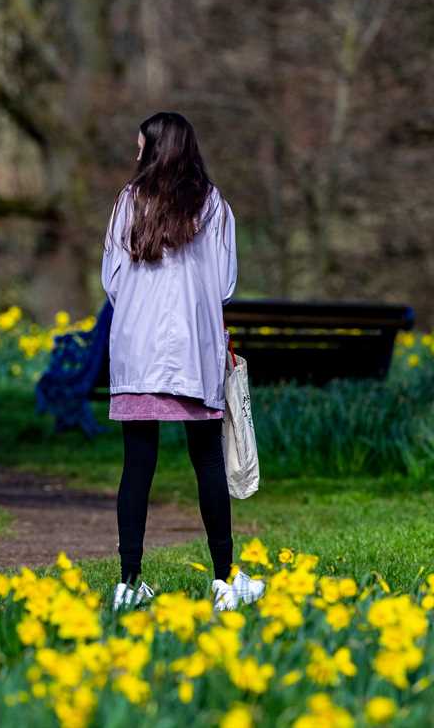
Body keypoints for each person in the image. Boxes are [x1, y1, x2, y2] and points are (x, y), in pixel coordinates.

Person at [100, 111, 263, 612]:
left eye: (140, 146)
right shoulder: (211, 204)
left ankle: (129, 582)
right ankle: (223, 580)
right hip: (192, 351)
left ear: (155, 149)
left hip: (135, 352)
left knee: (137, 465)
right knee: (207, 461)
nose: (135, 155)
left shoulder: (129, 201)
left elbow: (112, 276)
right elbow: (226, 282)